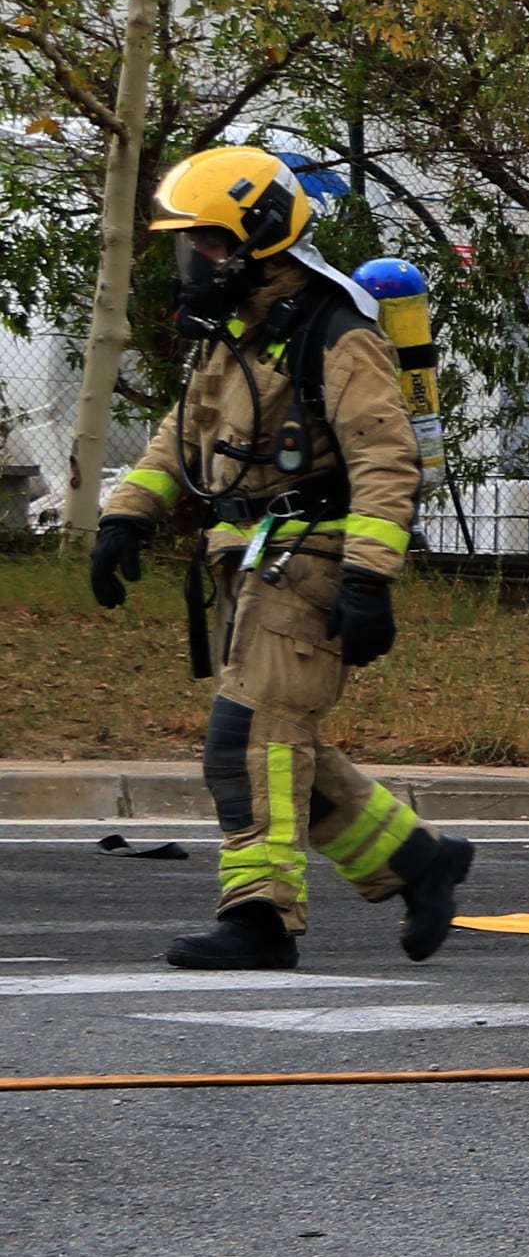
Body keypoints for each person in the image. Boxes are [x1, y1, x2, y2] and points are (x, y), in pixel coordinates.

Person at [90, 145, 477, 970]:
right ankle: (419, 860)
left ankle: (260, 916)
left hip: (314, 560)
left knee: (248, 741)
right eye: (190, 243)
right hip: (248, 559)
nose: (196, 261)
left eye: (211, 243)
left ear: (261, 238)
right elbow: (181, 433)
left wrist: (370, 579)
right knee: (282, 739)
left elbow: (386, 460)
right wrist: (128, 514)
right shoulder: (234, 330)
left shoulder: (336, 331)